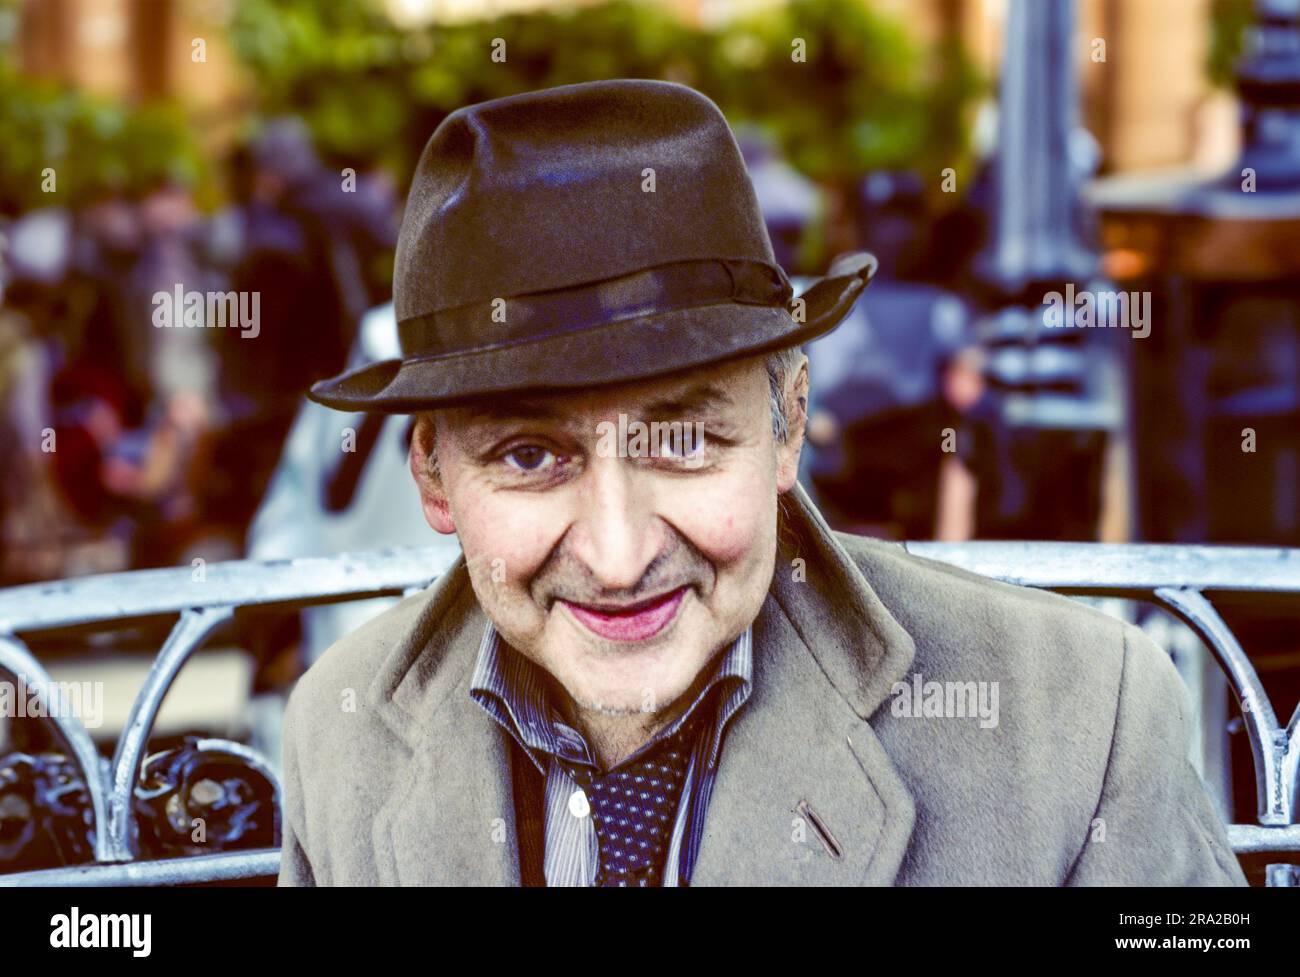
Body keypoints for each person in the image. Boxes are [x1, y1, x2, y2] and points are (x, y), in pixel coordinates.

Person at [277, 79, 1245, 887]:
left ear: (786, 430)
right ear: (433, 476)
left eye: (687, 437)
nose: (617, 558)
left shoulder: (1077, 713)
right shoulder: (341, 726)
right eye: (530, 456)